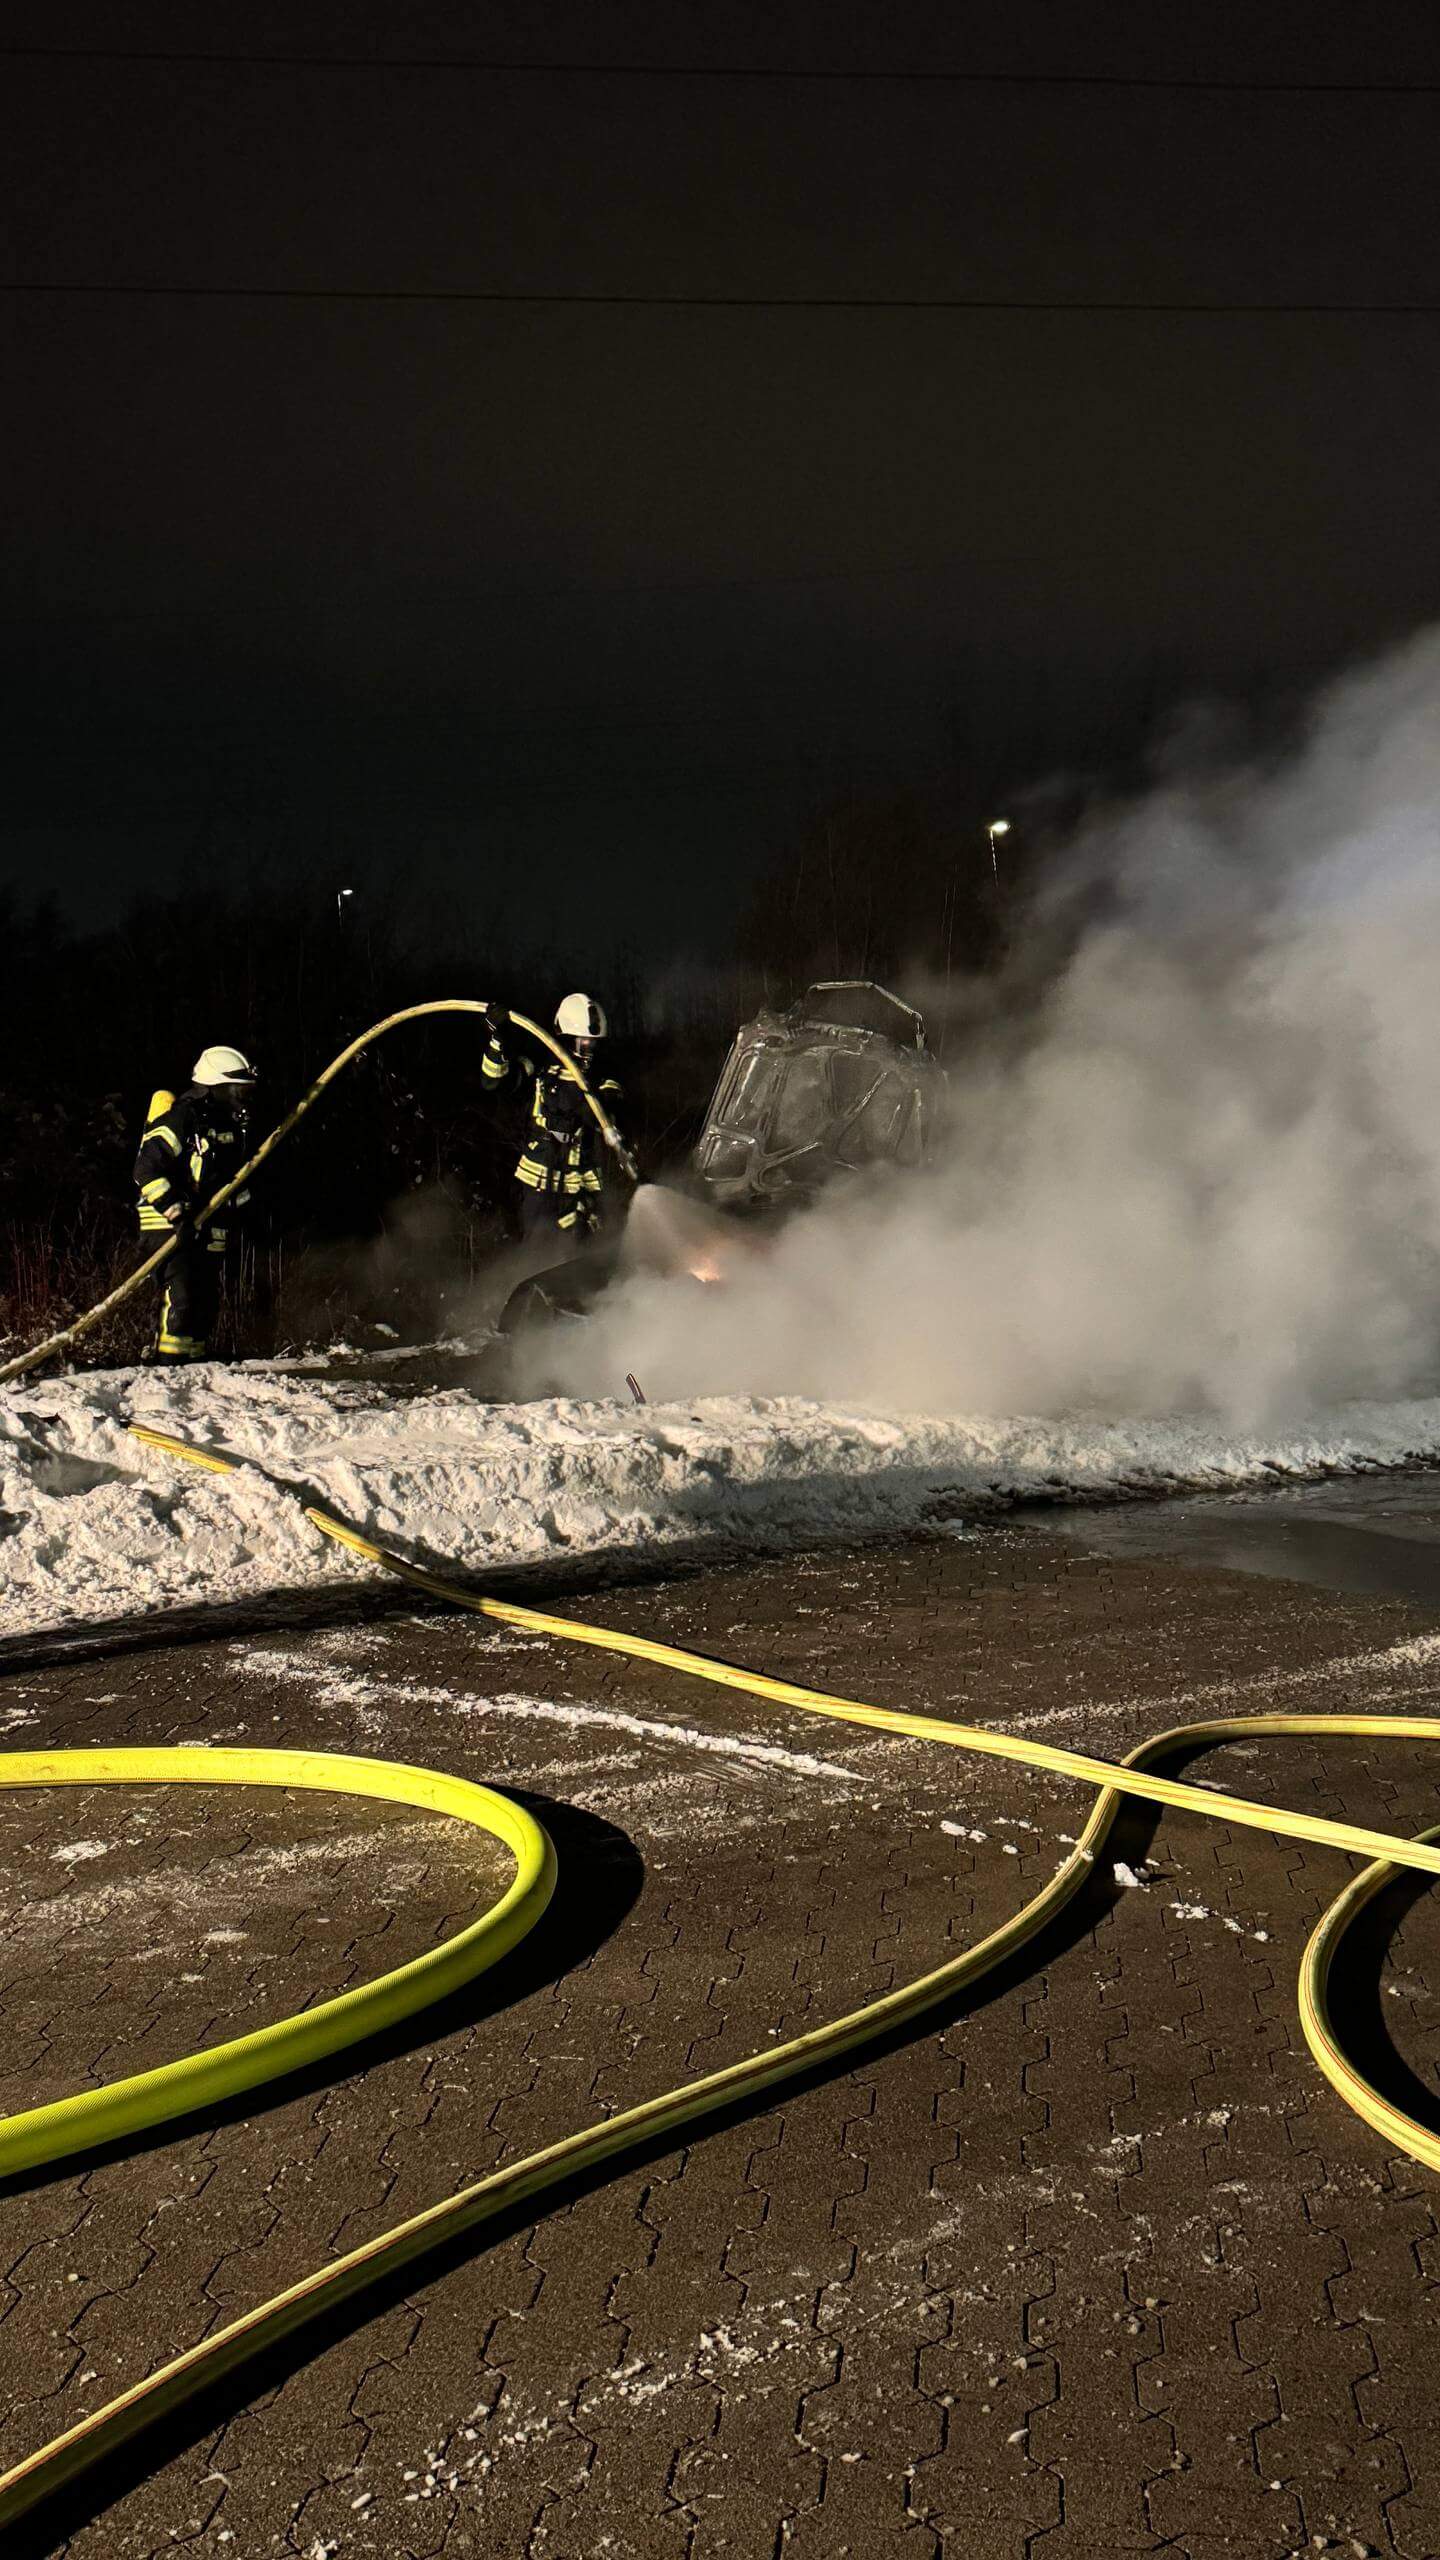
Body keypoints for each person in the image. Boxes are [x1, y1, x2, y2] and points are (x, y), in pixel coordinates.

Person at [134, 1045, 256, 1363]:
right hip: (166, 1221)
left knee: (205, 1299)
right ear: (213, 1088)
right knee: (184, 1294)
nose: (241, 1098)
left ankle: (196, 1372)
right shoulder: (182, 1119)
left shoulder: (226, 1127)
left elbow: (226, 1183)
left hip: (205, 1223)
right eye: (236, 1090)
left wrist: (241, 1209)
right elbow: (146, 1169)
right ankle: (169, 1369)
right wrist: (177, 1214)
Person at [481, 994, 627, 1247]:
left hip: (581, 1178)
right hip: (540, 1176)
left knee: (585, 1248)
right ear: (567, 1037)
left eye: (593, 1042)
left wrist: (604, 1112)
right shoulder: (540, 1064)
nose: (589, 1048)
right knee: (539, 1245)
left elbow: (612, 1104)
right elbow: (493, 1082)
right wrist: (498, 1041)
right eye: (583, 1041)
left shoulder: (602, 1072)